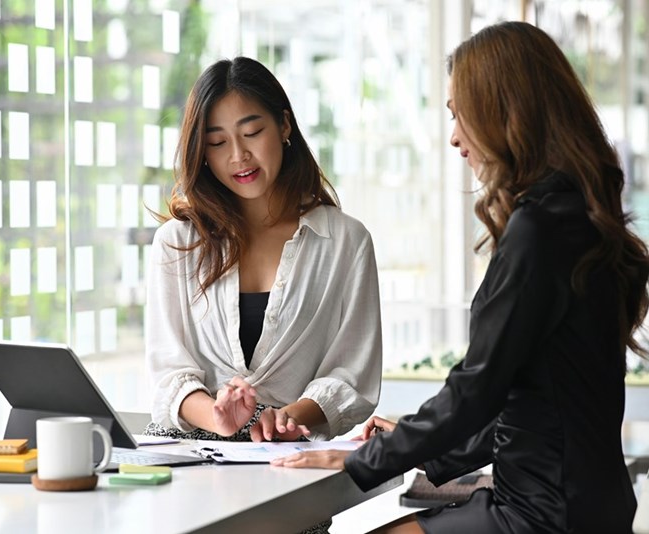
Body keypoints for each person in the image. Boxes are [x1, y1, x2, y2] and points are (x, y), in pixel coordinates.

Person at [272, 21, 649, 534]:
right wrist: (411, 442)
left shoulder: (538, 228)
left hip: (542, 515)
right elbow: (527, 397)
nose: (454, 138)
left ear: (504, 110)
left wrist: (364, 461)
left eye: (460, 114)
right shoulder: (578, 217)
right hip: (586, 503)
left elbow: (478, 387)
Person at [144, 56, 383, 446]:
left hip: (289, 459)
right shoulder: (177, 243)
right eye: (217, 142)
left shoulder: (345, 242)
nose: (238, 155)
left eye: (252, 132)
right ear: (201, 152)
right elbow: (168, 371)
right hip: (189, 460)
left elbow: (351, 375)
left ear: (284, 125)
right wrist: (219, 417)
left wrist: (284, 417)